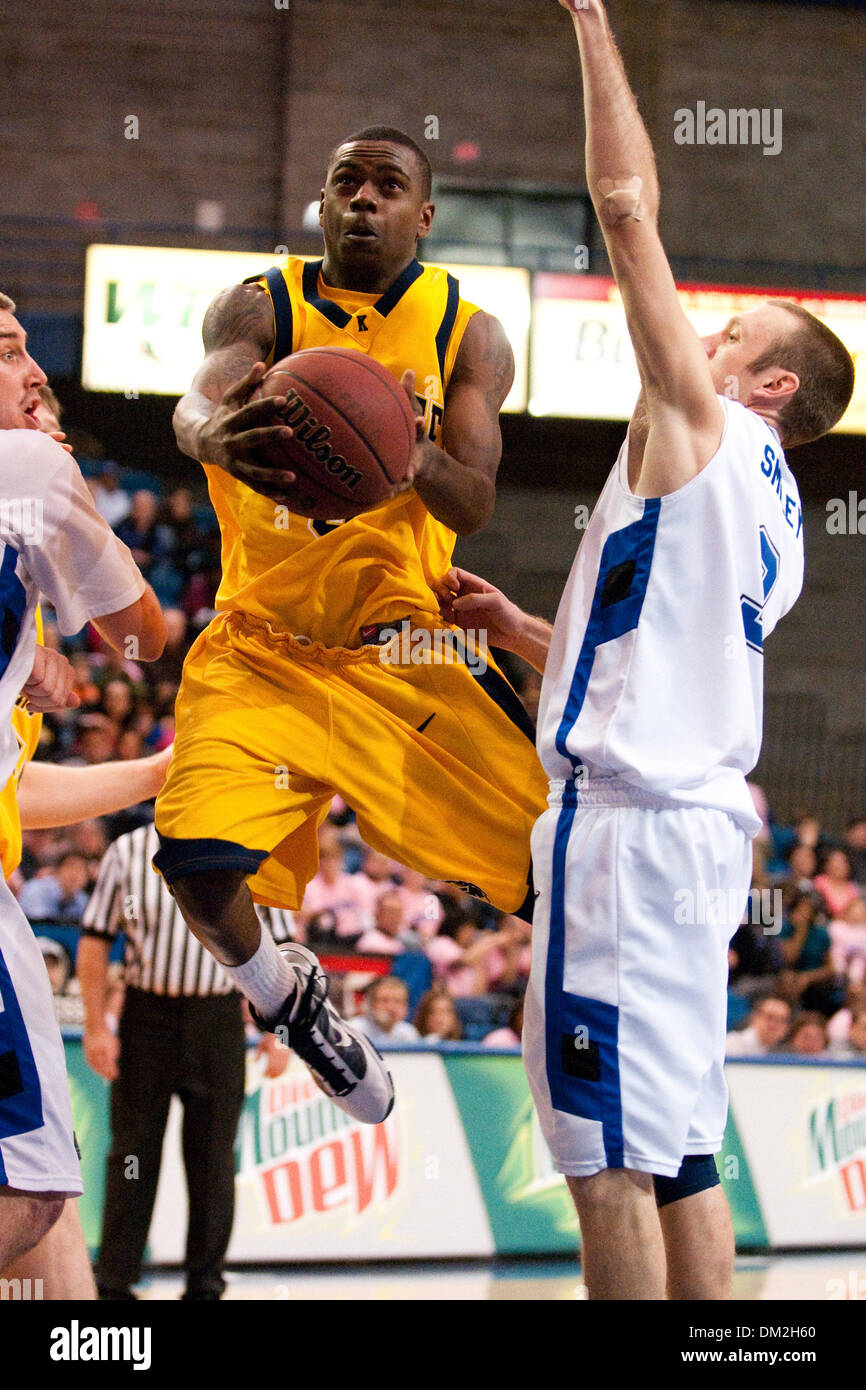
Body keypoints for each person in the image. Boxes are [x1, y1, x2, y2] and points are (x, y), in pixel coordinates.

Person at [438, 0, 854, 1300]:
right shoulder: (780, 523)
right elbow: (654, 653)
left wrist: (591, 23)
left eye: (733, 335)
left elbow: (624, 208)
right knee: (677, 1146)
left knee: (602, 1155)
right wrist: (520, 630)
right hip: (699, 831)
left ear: (769, 386)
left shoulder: (705, 424)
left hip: (622, 833)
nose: (704, 335)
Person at [153, 124, 548, 1123]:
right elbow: (193, 404)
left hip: (401, 648)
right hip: (259, 645)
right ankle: (289, 1002)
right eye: (344, 184)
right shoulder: (262, 302)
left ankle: (603, 1082)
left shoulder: (469, 330)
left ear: (423, 213)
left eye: (385, 186)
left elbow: (474, 502)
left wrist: (409, 460)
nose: (361, 201)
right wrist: (213, 437)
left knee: (555, 872)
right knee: (196, 869)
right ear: (321, 204)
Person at [0, 293, 165, 1289]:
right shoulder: (27, 470)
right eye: (9, 350)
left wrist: (149, 773)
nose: (35, 371)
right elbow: (144, 635)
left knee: (39, 1191)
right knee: (29, 1194)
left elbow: (16, 797)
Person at [77, 823, 294, 1301]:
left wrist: (278, 1031)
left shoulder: (247, 847)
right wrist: (96, 1026)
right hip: (145, 1017)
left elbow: (279, 948)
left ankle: (206, 1283)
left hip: (217, 1020)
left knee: (214, 1159)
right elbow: (95, 939)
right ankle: (114, 1283)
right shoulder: (127, 851)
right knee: (132, 1155)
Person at [348, 977, 420, 1047]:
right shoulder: (354, 1029)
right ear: (371, 1004)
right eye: (384, 1000)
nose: (391, 1007)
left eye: (398, 1001)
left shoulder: (408, 1032)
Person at [725, 996, 791, 1056]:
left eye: (781, 1020)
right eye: (769, 1017)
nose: (774, 1024)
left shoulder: (785, 1053)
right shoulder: (732, 1044)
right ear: (754, 1017)